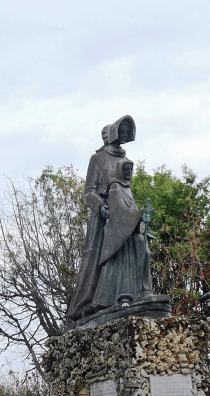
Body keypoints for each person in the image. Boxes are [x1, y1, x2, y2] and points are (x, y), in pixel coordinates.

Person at [66, 115, 136, 320]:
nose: (123, 134)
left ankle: (124, 295)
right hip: (103, 216)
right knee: (100, 257)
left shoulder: (125, 160)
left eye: (126, 132)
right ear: (110, 135)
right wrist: (101, 207)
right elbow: (88, 192)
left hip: (121, 212)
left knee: (128, 252)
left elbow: (126, 189)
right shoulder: (97, 159)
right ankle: (92, 302)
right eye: (120, 131)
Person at [90, 159, 152, 310]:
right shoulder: (115, 187)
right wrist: (138, 217)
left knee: (146, 253)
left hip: (132, 231)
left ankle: (145, 290)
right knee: (131, 257)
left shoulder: (128, 188)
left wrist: (144, 222)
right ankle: (128, 294)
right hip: (118, 234)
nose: (129, 172)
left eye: (131, 170)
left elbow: (133, 208)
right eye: (126, 170)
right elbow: (119, 209)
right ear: (120, 170)